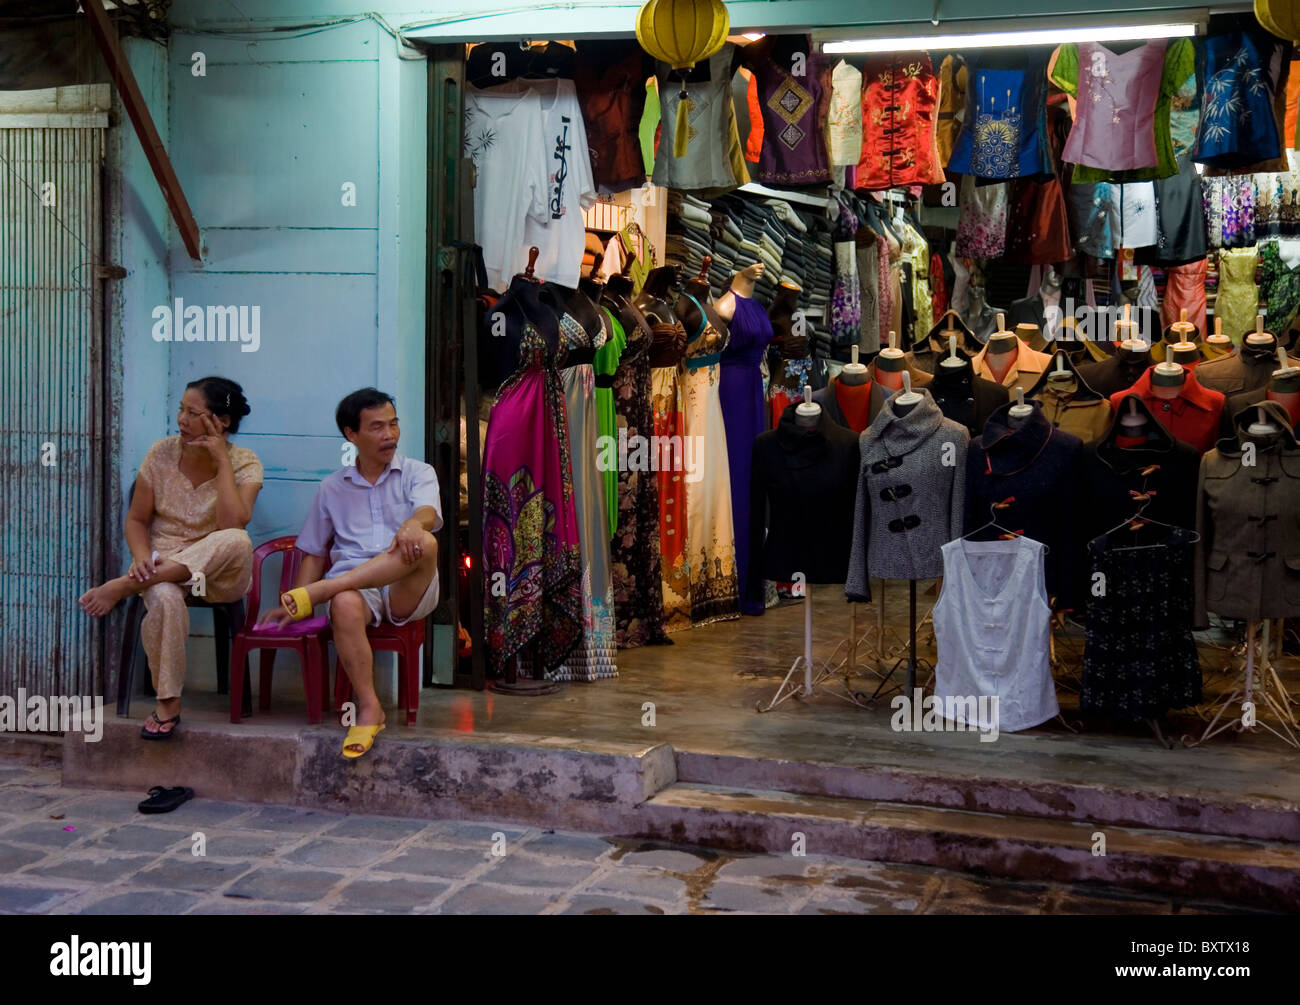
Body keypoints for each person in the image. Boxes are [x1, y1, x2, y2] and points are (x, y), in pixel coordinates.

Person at [261, 388, 441, 758]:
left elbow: (427, 513)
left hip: (407, 586)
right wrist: (295, 598)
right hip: (361, 591)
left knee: (426, 542)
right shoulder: (331, 488)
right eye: (376, 427)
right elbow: (312, 551)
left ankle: (328, 589)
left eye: (393, 424)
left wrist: (412, 524)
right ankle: (370, 708)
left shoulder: (418, 472)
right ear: (351, 435)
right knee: (343, 602)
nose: (389, 435)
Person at [79, 377, 261, 739]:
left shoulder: (246, 463)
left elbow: (232, 522)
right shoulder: (161, 452)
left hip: (219, 572)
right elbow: (137, 519)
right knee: (163, 597)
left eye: (193, 413)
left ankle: (127, 585)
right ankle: (168, 703)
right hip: (163, 564)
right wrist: (143, 557)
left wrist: (221, 462)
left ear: (221, 421)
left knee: (238, 539)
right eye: (180, 409)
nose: (182, 419)